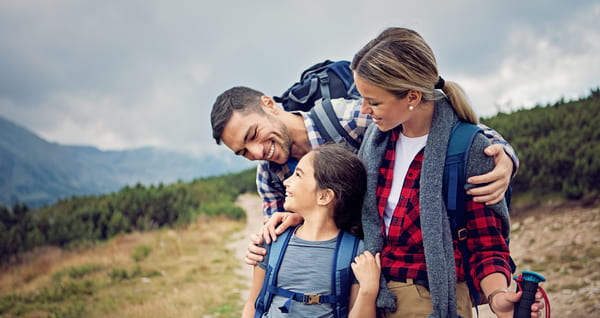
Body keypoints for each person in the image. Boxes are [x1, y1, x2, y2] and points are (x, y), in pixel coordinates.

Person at [248, 27, 545, 318]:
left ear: (412, 96)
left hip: (433, 309)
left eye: (373, 101)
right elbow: (342, 203)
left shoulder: (468, 149)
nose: (365, 110)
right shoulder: (376, 140)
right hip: (378, 302)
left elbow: (487, 243)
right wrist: (297, 217)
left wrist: (499, 293)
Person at [211, 85, 518, 221]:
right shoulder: (269, 177)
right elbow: (278, 235)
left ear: (268, 104)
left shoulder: (346, 118)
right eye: (243, 152)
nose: (256, 152)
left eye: (253, 135)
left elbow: (433, 120)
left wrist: (500, 151)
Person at [233, 144, 380, 318]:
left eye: (299, 174)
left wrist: (368, 290)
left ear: (324, 196)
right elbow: (253, 301)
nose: (288, 181)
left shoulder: (355, 251)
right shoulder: (273, 240)